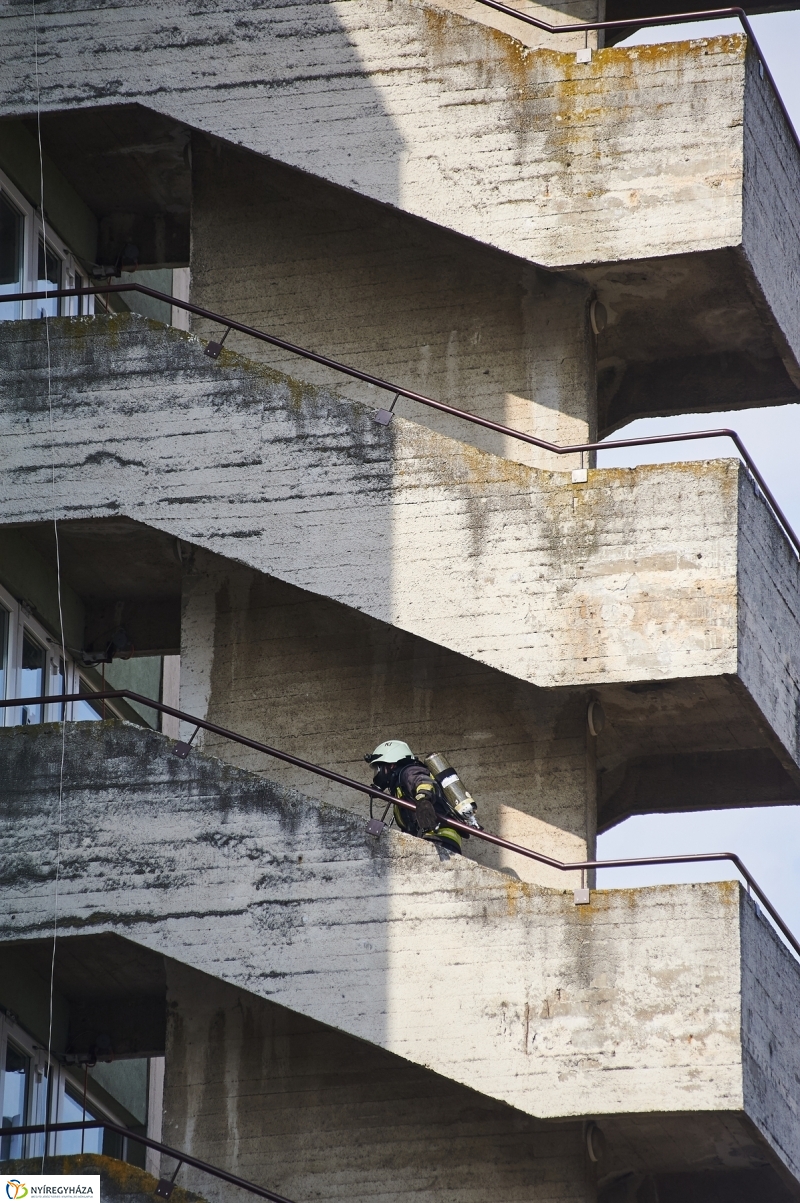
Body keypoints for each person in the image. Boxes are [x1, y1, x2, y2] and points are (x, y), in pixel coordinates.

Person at [364, 739, 462, 854]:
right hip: (436, 840)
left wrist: (424, 801)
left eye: (378, 768)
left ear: (391, 765)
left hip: (438, 839)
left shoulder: (409, 772)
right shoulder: (400, 786)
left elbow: (423, 782)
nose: (377, 774)